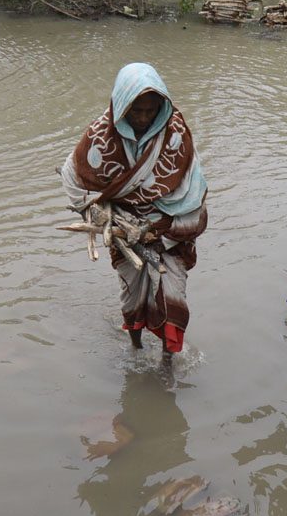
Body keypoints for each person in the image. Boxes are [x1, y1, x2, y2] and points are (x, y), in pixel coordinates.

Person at [61, 63, 208, 378]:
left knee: (173, 297)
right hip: (124, 228)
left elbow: (194, 193)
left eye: (150, 111)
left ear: (161, 107)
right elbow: (72, 177)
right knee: (132, 296)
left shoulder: (176, 134)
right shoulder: (102, 134)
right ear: (121, 106)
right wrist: (99, 216)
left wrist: (160, 234)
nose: (143, 118)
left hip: (169, 227)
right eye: (135, 111)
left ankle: (168, 364)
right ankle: (136, 347)